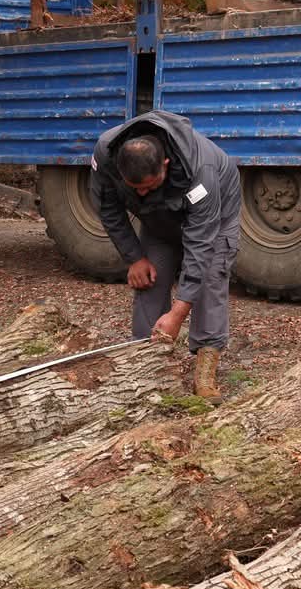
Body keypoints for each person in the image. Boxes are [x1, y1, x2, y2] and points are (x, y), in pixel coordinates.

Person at [89, 110, 242, 398]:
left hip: (215, 220)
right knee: (149, 277)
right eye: (135, 189)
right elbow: (107, 208)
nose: (141, 194)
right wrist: (134, 257)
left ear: (165, 165)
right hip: (158, 220)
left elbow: (200, 245)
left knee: (209, 279)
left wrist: (178, 313)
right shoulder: (106, 154)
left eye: (149, 186)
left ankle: (205, 373)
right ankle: (146, 362)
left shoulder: (201, 170)